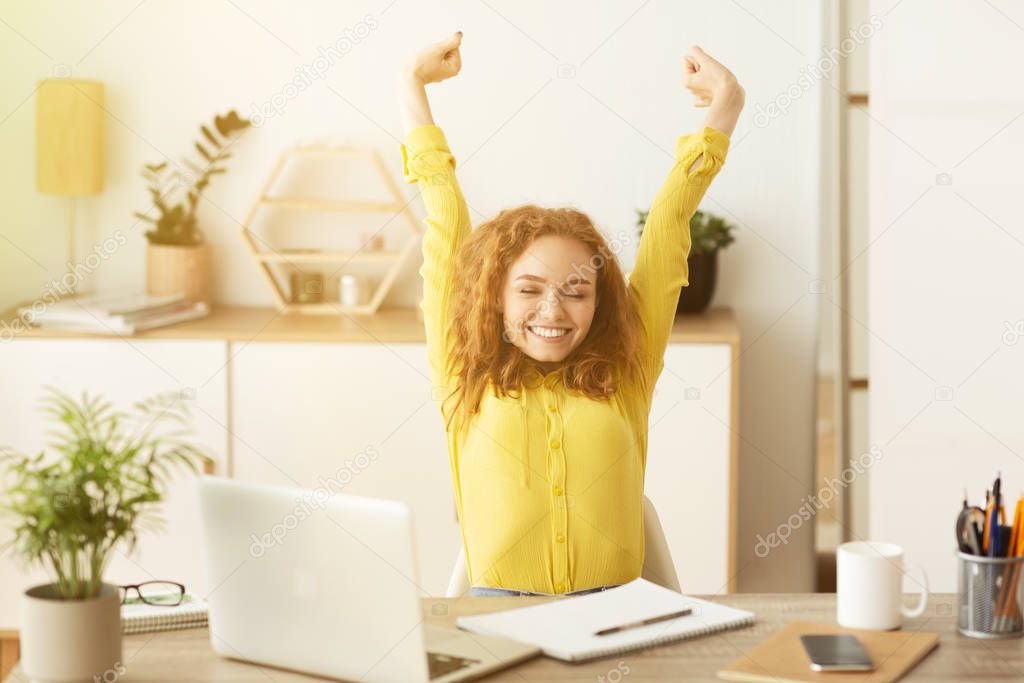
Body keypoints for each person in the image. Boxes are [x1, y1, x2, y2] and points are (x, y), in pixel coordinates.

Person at [397, 32, 744, 597]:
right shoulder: (466, 373)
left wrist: (723, 111)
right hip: (498, 625)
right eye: (529, 290)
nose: (552, 311)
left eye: (577, 291)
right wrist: (411, 86)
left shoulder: (626, 369)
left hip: (617, 620)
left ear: (599, 301)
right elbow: (444, 219)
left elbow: (667, 231)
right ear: (493, 298)